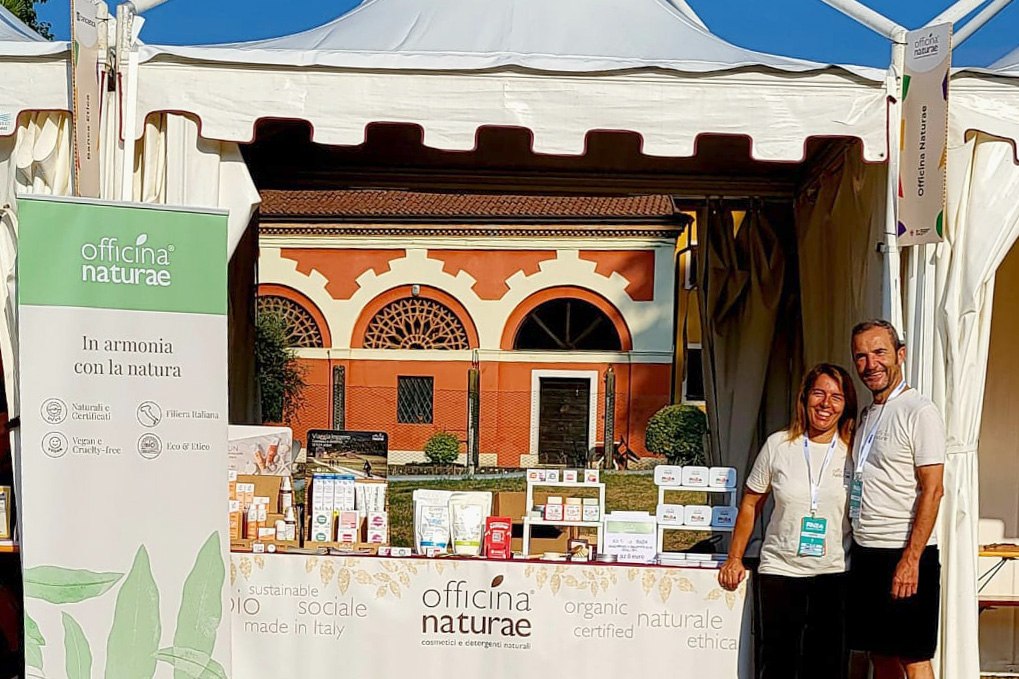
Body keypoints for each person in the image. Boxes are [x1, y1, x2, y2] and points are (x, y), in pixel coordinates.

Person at [719, 363, 858, 679]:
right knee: (778, 664)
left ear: (846, 404)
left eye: (836, 397)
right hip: (780, 571)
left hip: (834, 574)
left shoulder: (855, 452)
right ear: (805, 397)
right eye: (818, 393)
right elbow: (751, 503)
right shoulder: (778, 445)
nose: (825, 404)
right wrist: (734, 558)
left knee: (826, 666)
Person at [847, 320, 946, 679]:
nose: (870, 364)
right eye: (861, 356)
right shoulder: (869, 412)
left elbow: (933, 490)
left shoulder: (919, 411)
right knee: (881, 654)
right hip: (866, 550)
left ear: (900, 355)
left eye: (879, 352)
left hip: (904, 553)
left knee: (913, 657)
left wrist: (911, 559)